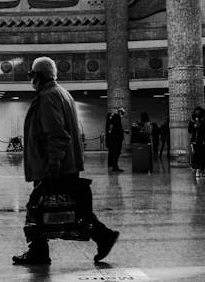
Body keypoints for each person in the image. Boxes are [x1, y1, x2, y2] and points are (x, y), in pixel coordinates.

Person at [12, 56, 119, 266]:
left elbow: (57, 135)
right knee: (75, 206)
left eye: (31, 74)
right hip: (65, 165)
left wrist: (52, 166)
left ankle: (39, 252)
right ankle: (102, 236)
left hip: (55, 167)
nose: (30, 79)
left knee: (35, 206)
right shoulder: (61, 93)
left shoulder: (48, 96)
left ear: (39, 75)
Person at [188, 107, 205, 177]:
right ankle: (198, 170)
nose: (197, 114)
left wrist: (201, 126)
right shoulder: (192, 119)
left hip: (203, 140)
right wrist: (194, 127)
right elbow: (189, 130)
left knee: (203, 155)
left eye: (198, 112)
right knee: (196, 155)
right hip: (195, 141)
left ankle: (202, 170)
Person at [105, 108, 125, 172]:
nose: (122, 116)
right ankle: (115, 166)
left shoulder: (110, 119)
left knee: (111, 152)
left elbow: (110, 129)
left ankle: (110, 164)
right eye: (122, 114)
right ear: (120, 112)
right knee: (116, 153)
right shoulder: (117, 118)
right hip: (116, 140)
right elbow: (118, 129)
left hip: (110, 139)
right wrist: (123, 132)